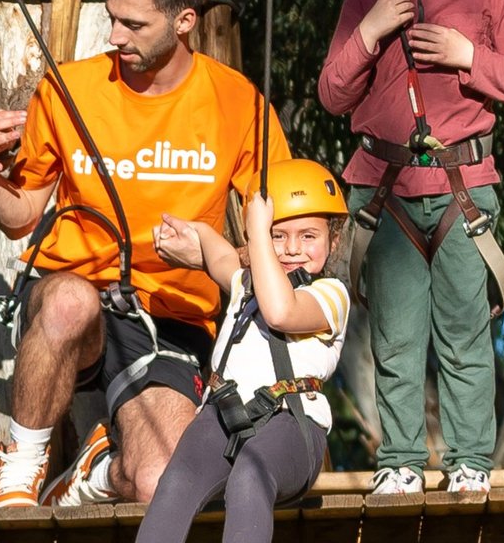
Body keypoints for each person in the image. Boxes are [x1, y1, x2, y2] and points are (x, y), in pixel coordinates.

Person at [0, 0, 291, 508]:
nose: (115, 37)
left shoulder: (237, 103)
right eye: (112, 18)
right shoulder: (70, 88)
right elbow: (19, 216)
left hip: (175, 319)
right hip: (75, 299)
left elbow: (287, 246)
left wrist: (214, 257)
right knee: (70, 303)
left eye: (134, 25)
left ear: (185, 20)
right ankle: (19, 469)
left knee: (157, 480)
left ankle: (93, 473)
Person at [318, 0, 504, 495]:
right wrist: (370, 32)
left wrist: (467, 54)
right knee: (395, 339)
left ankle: (472, 461)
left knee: (465, 335)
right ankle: (401, 464)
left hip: (461, 189)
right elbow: (333, 95)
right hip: (384, 192)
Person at [136, 158, 350, 543]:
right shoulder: (245, 284)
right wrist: (196, 233)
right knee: (175, 482)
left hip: (292, 424)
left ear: (333, 241)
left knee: (250, 474)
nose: (292, 249)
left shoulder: (331, 295)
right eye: (278, 236)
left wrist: (258, 231)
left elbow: (281, 311)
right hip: (223, 413)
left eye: (308, 236)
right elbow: (219, 257)